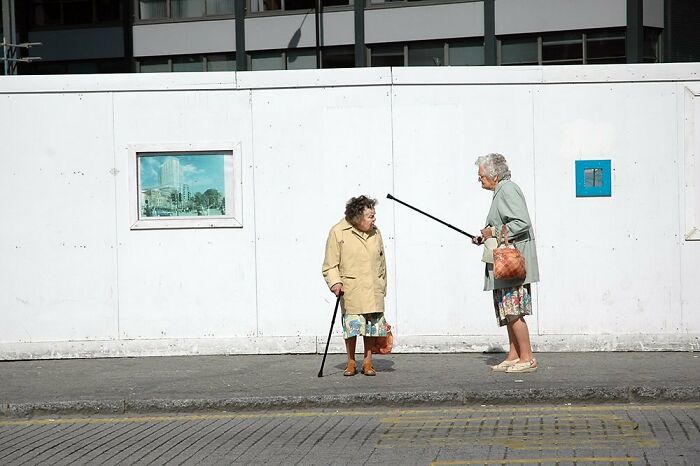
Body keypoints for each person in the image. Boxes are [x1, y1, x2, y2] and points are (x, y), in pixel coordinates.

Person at [473, 153, 540, 373]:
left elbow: (522, 222)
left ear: (495, 175)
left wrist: (492, 231)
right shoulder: (500, 191)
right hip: (505, 263)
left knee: (513, 310)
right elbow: (503, 224)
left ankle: (527, 357)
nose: (480, 180)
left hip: (511, 264)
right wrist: (485, 236)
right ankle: (514, 355)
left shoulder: (508, 190)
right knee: (507, 310)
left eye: (482, 176)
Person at [322, 195, 388, 376]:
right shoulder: (338, 232)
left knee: (371, 326)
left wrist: (383, 284)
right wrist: (335, 282)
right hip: (352, 288)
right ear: (358, 217)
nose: (374, 219)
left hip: (373, 287)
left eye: (374, 215)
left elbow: (382, 261)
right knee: (352, 327)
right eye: (370, 216)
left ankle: (368, 363)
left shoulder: (376, 232)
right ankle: (351, 362)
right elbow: (330, 264)